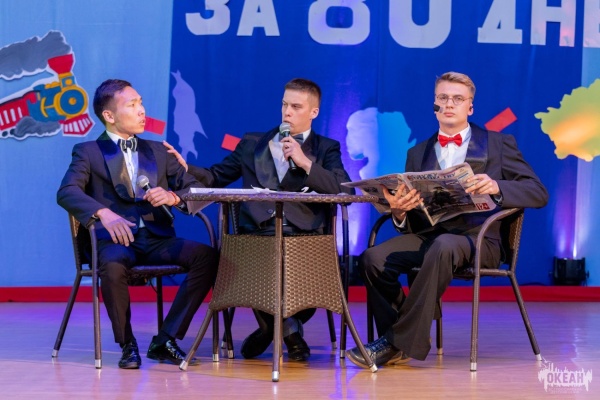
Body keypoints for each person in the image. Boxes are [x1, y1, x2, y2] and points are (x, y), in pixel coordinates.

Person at [345, 72, 549, 368]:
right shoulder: (417, 153)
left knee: (443, 245)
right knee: (372, 258)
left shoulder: (499, 143)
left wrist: (497, 186)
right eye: (443, 98)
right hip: (431, 236)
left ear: (470, 107)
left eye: (457, 99)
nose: (449, 104)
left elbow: (538, 192)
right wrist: (399, 212)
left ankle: (394, 343)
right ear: (434, 105)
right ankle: (400, 336)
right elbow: (415, 222)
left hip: (480, 239)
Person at [165, 78, 354, 361]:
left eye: (296, 107)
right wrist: (186, 168)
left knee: (305, 275)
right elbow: (216, 177)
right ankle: (290, 334)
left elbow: (343, 191)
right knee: (259, 258)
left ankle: (268, 331)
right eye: (284, 105)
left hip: (305, 236)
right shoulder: (253, 143)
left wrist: (305, 163)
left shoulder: (326, 148)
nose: (287, 112)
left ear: (313, 112)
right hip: (258, 233)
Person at [57, 79, 219, 369]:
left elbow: (196, 190)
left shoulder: (158, 151)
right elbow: (67, 191)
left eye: (141, 103)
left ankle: (165, 339)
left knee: (206, 257)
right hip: (115, 241)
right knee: (112, 265)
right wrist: (102, 213)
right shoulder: (88, 151)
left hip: (157, 239)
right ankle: (127, 344)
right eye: (132, 105)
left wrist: (173, 197)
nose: (141, 110)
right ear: (109, 115)